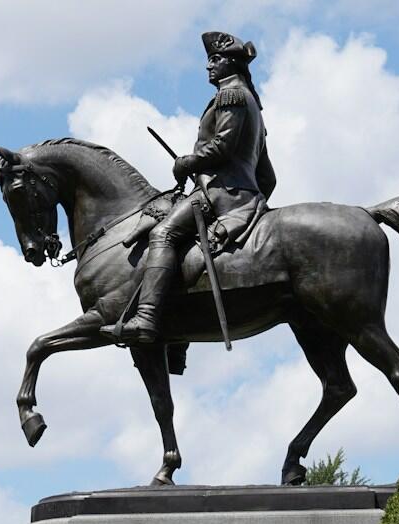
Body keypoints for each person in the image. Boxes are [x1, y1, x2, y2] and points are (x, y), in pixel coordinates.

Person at [102, 30, 277, 347]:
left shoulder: (231, 96)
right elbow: (268, 177)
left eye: (215, 60)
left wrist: (188, 163)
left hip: (221, 193)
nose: (208, 67)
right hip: (239, 194)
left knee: (162, 234)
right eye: (208, 60)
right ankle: (177, 340)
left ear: (230, 63)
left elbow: (222, 147)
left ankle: (147, 317)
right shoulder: (253, 107)